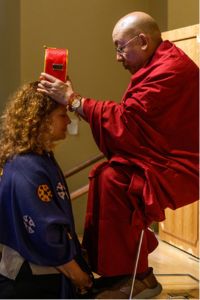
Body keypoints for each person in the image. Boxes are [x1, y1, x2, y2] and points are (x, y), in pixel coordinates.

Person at [38, 11, 199, 299]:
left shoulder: (170, 69)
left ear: (142, 40)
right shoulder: (156, 63)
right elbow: (132, 123)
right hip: (162, 157)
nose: (117, 57)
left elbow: (126, 124)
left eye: (120, 47)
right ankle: (124, 273)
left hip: (181, 166)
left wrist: (74, 101)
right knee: (106, 174)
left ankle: (134, 277)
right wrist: (74, 100)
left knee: (116, 182)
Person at [0, 81, 93, 299]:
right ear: (40, 120)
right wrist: (79, 276)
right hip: (33, 280)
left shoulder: (40, 158)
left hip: (39, 273)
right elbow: (45, 235)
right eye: (62, 115)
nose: (68, 121)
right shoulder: (28, 168)